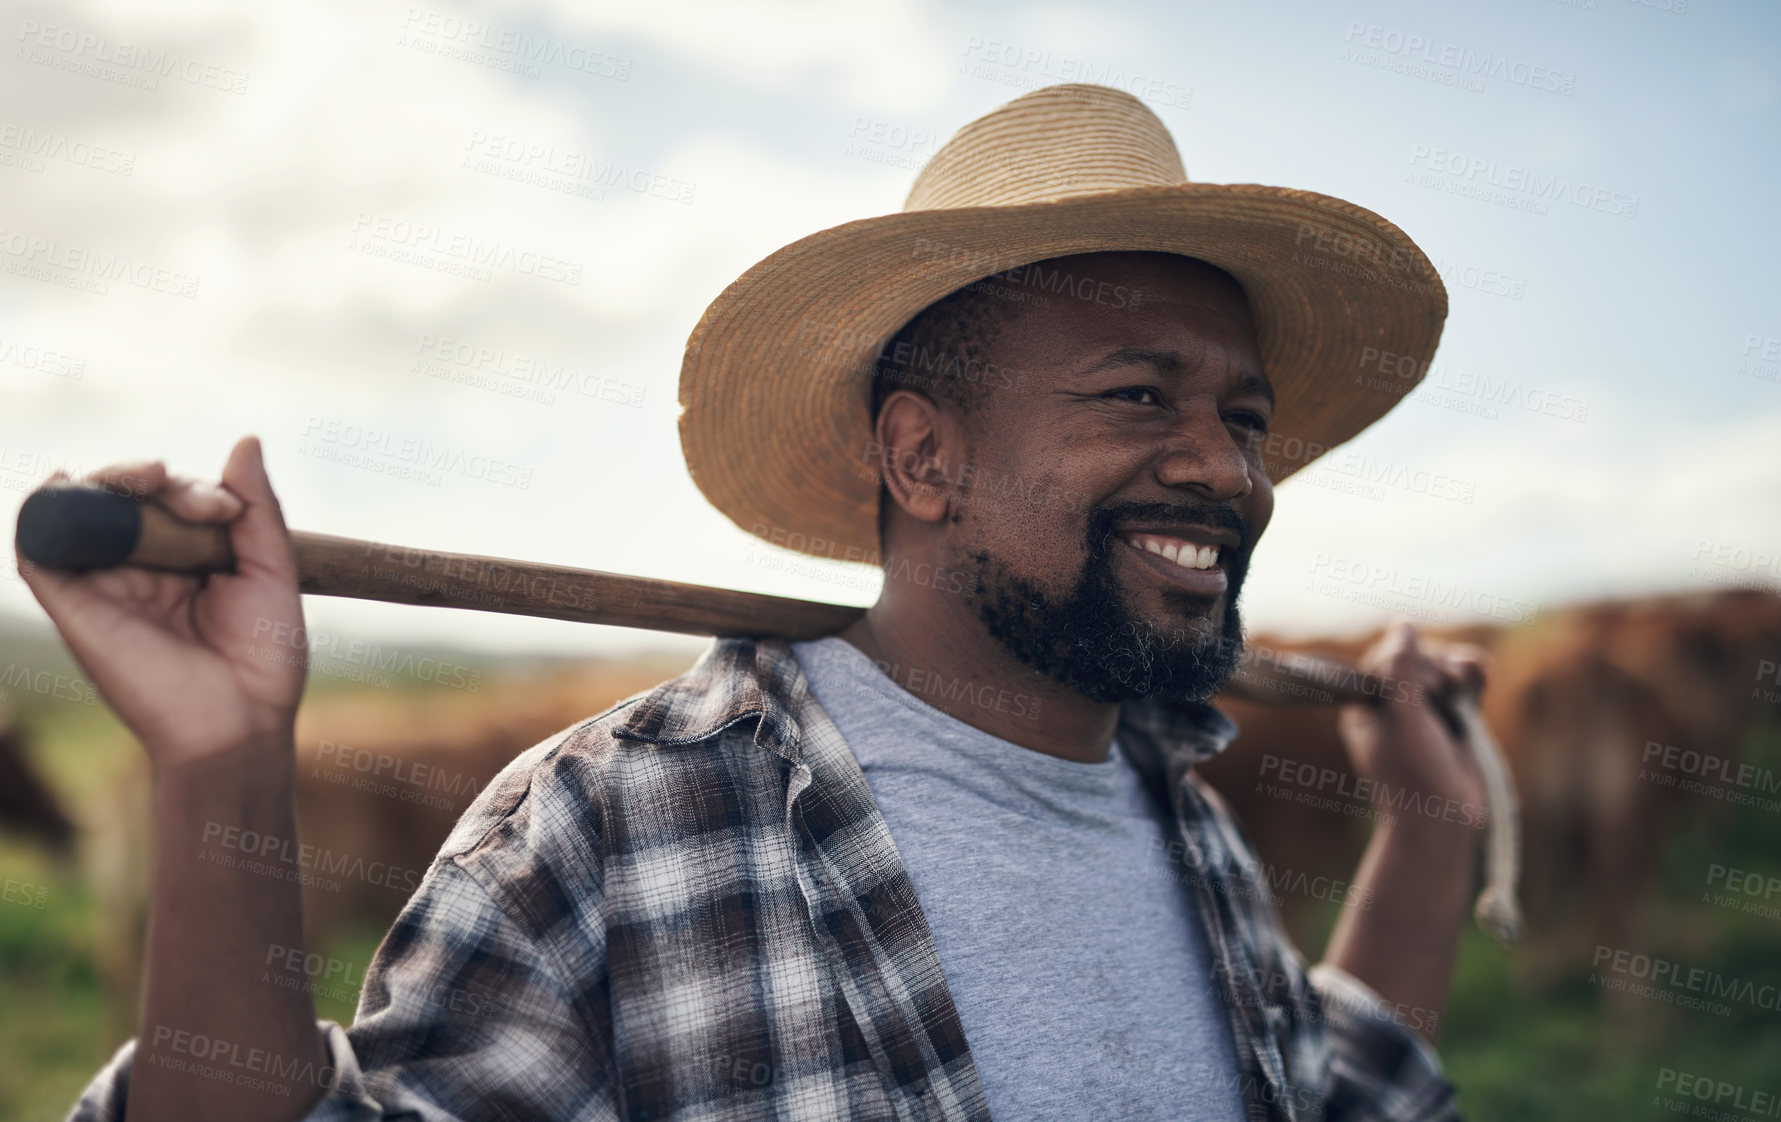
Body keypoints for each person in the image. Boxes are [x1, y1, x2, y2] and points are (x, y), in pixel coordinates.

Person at [35, 84, 1486, 1121]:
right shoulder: (610, 826)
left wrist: (1432, 833)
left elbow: (1335, 1085)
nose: (1223, 469)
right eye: (1136, 396)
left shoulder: (1182, 825)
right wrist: (221, 756)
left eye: (1243, 416)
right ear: (923, 455)